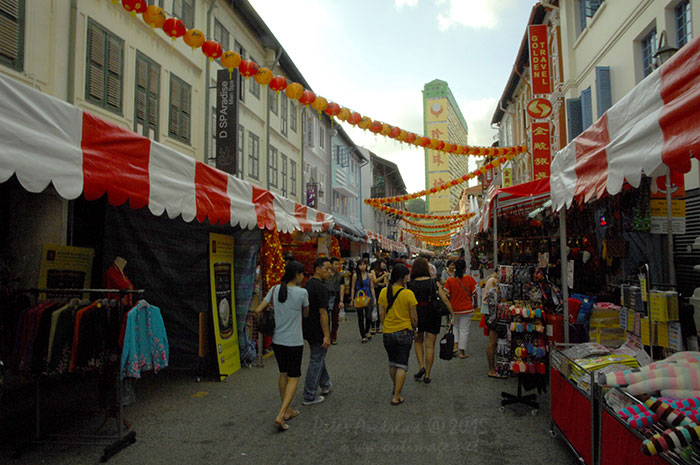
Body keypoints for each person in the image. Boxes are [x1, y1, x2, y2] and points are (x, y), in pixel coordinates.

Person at [254, 261, 309, 432]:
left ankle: (288, 410)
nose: (303, 277)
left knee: (283, 373)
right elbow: (305, 313)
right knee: (294, 376)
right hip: (294, 341)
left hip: (278, 340)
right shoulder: (302, 292)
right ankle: (281, 413)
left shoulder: (275, 289)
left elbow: (257, 311)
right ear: (297, 275)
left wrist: (263, 324)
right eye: (302, 274)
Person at [407, 258, 453, 384]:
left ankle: (421, 366)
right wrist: (453, 314)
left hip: (417, 314)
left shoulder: (410, 284)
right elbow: (445, 299)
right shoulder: (434, 282)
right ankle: (427, 374)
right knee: (430, 345)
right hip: (433, 313)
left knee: (418, 341)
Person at [378, 264, 418, 405]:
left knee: (392, 362)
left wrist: (387, 325)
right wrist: (415, 328)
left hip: (388, 332)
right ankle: (396, 395)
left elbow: (381, 314)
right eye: (407, 275)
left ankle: (396, 388)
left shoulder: (383, 292)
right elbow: (414, 317)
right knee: (402, 364)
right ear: (403, 277)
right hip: (404, 331)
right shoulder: (408, 294)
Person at [302, 257, 333, 406]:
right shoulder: (321, 288)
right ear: (317, 269)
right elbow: (323, 313)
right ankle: (309, 395)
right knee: (316, 359)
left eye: (330, 269)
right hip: (318, 330)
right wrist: (327, 335)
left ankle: (325, 383)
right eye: (326, 269)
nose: (329, 272)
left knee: (318, 357)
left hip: (308, 328)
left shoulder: (308, 284)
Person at [444, 259, 477, 359]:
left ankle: (455, 347)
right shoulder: (470, 279)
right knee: (464, 330)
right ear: (464, 268)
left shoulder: (450, 280)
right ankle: (462, 352)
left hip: (454, 309)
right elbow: (475, 294)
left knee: (455, 328)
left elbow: (446, 294)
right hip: (467, 308)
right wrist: (475, 304)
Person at [481, 271, 503, 378]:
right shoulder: (493, 280)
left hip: (489, 311)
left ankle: (495, 367)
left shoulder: (491, 279)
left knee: (493, 341)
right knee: (492, 341)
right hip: (492, 313)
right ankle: (491, 369)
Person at [351, 259, 376, 343]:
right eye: (360, 265)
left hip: (368, 298)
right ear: (358, 266)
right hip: (358, 298)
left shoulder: (370, 275)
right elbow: (353, 288)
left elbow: (372, 287)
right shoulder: (355, 276)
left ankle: (366, 331)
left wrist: (374, 298)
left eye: (364, 264)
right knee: (360, 317)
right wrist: (352, 299)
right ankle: (363, 336)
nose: (362, 266)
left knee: (369, 316)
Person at [328, 257, 345, 345]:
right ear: (330, 264)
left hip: (336, 298)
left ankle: (333, 337)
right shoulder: (326, 275)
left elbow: (342, 287)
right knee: (326, 319)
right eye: (335, 264)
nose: (337, 266)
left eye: (338, 264)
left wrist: (341, 300)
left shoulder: (340, 275)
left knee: (335, 319)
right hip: (327, 298)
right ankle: (327, 336)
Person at [369, 260, 389, 335]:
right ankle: (372, 326)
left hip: (382, 292)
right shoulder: (373, 271)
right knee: (373, 309)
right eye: (383, 263)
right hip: (374, 292)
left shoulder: (385, 272)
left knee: (380, 309)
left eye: (385, 263)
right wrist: (383, 277)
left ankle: (378, 326)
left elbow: (385, 283)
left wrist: (378, 283)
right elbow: (374, 281)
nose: (384, 264)